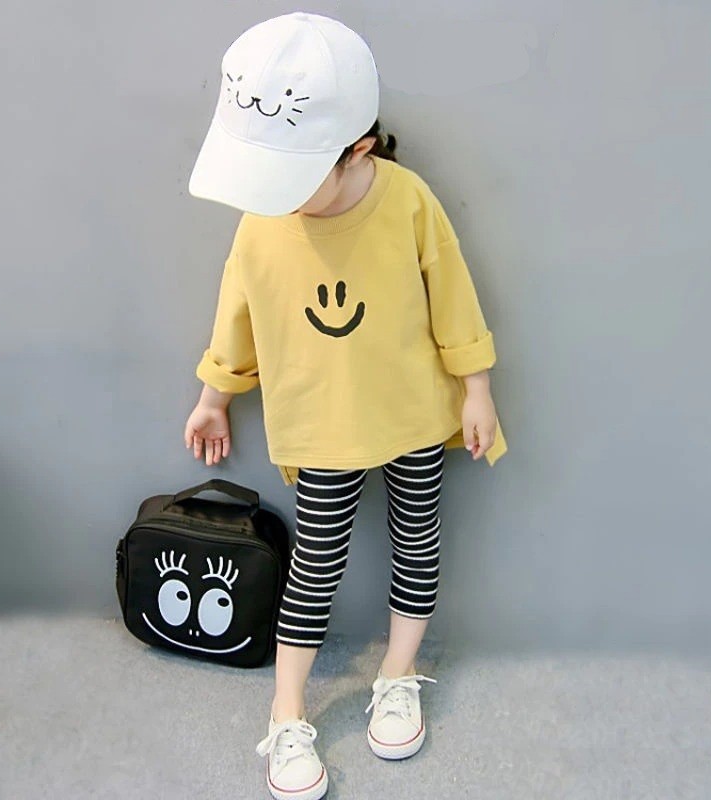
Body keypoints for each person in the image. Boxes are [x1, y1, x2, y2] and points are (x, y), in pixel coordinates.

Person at [182, 11, 508, 800]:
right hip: (322, 424)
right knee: (315, 563)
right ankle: (288, 709)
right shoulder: (263, 221)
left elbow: (452, 293)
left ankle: (398, 673)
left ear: (358, 148)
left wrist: (476, 388)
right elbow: (237, 312)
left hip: (412, 413)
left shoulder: (408, 201)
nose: (280, 199)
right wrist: (215, 396)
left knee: (417, 542)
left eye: (294, 178)